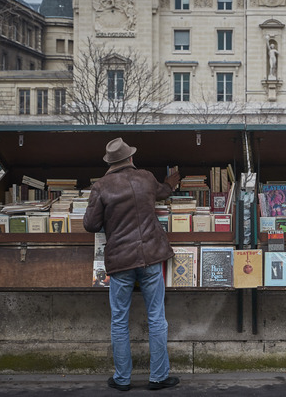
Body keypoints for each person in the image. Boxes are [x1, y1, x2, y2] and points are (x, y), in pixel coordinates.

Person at [84, 137, 181, 392]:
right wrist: (172, 183)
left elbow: (90, 225)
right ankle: (159, 377)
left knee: (119, 320)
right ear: (130, 158)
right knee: (157, 317)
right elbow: (163, 191)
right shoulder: (146, 177)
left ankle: (122, 379)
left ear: (110, 163)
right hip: (150, 256)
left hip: (121, 261)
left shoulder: (101, 186)